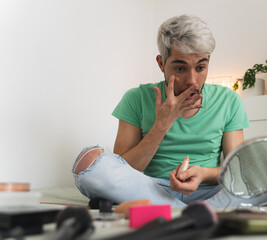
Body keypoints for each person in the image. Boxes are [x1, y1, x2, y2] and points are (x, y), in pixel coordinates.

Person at [72, 15, 250, 208]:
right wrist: (162, 125)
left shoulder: (228, 100)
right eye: (180, 68)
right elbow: (123, 169)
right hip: (152, 188)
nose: (192, 80)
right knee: (89, 162)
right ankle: (195, 211)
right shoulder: (136, 98)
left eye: (200, 67)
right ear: (161, 63)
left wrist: (204, 173)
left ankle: (175, 209)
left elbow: (235, 171)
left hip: (210, 190)